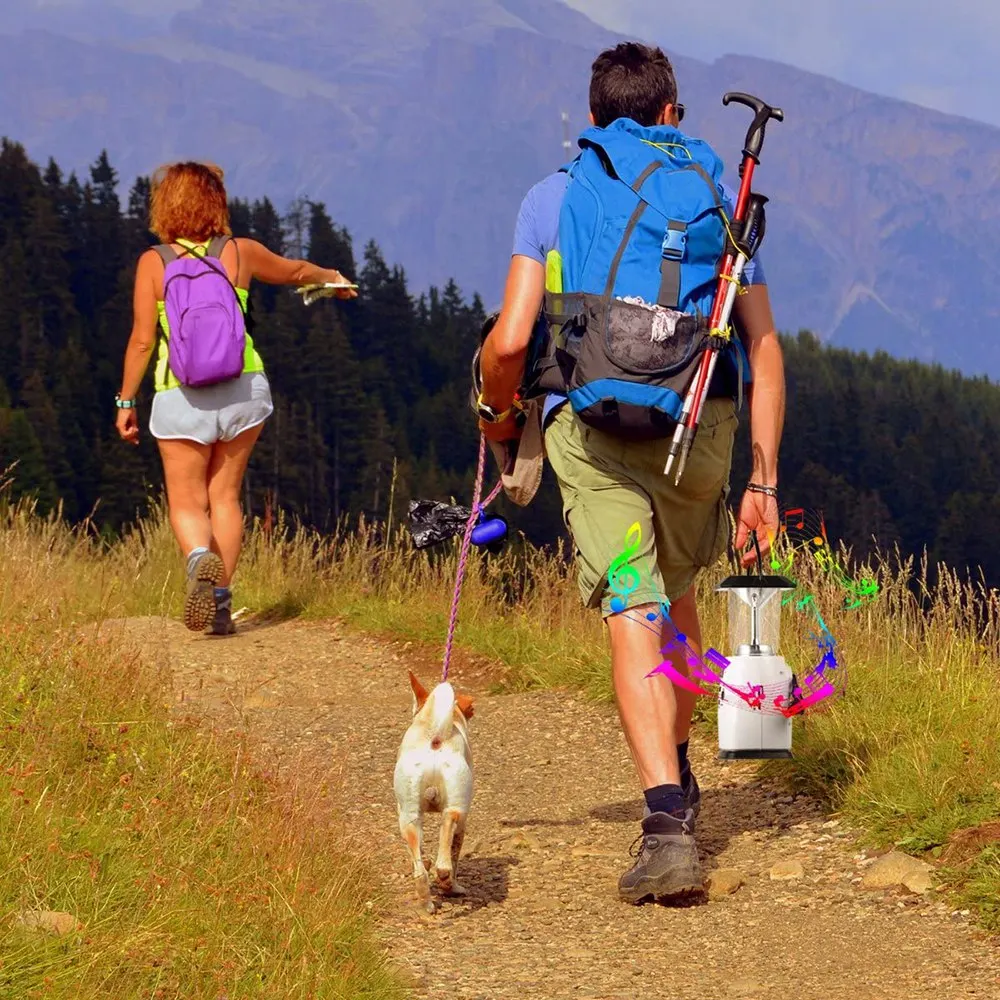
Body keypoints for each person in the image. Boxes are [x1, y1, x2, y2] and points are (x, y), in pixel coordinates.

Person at [477, 43, 785, 901]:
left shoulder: (553, 195)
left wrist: (498, 411)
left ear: (593, 116)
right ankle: (679, 771)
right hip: (699, 426)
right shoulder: (719, 198)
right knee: (675, 594)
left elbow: (511, 341)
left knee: (632, 602)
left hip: (594, 428)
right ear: (671, 113)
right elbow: (762, 346)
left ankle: (665, 820)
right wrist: (763, 482)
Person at [116, 161, 356, 636]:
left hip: (181, 395)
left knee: (187, 502)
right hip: (243, 388)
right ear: (216, 204)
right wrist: (334, 279)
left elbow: (142, 341)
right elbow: (295, 271)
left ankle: (198, 559)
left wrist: (126, 403)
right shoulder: (239, 252)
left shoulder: (154, 262)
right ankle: (221, 604)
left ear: (164, 206)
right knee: (225, 497)